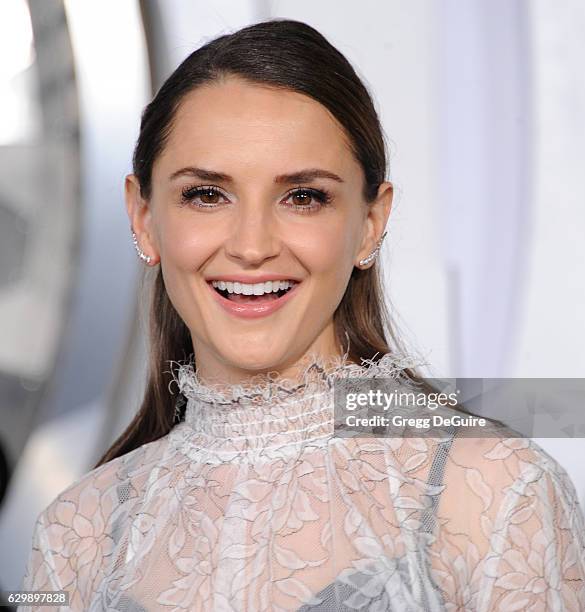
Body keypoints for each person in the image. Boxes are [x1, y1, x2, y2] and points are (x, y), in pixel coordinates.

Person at [19, 19, 585, 611]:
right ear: (143, 217)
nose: (252, 244)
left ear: (370, 224)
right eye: (207, 194)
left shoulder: (497, 492)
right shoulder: (72, 533)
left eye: (303, 197)